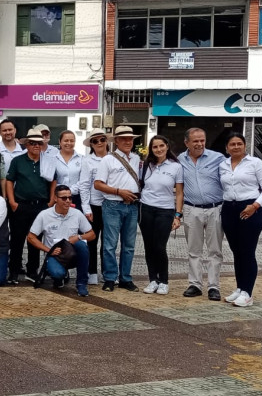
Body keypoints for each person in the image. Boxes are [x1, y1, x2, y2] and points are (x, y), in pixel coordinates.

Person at [220, 132, 262, 307]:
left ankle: (248, 293)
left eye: (239, 144)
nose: (236, 147)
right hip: (229, 209)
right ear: (227, 148)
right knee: (237, 252)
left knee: (248, 252)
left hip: (250, 209)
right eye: (232, 144)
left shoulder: (256, 163)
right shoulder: (223, 165)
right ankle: (240, 288)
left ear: (244, 146)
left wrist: (255, 206)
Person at [178, 127, 227, 301]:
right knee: (194, 250)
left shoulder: (218, 158)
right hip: (192, 209)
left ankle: (214, 286)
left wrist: (261, 166)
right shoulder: (179, 161)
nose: (199, 144)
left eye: (202, 140)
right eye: (195, 141)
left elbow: (235, 169)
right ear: (187, 143)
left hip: (215, 209)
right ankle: (195, 284)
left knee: (215, 250)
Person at [4, 127, 56, 285]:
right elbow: (9, 181)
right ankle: (13, 272)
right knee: (17, 240)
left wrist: (51, 201)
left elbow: (54, 181)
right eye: (32, 143)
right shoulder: (17, 161)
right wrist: (12, 202)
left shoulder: (47, 161)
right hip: (21, 205)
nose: (36, 146)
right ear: (26, 144)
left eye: (39, 143)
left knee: (35, 240)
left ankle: (32, 271)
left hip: (41, 206)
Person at [94, 125, 142, 292]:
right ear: (116, 141)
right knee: (110, 244)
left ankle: (125, 278)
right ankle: (109, 278)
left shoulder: (136, 159)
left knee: (129, 245)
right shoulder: (108, 159)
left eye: (130, 139)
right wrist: (118, 192)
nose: (128, 141)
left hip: (132, 206)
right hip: (113, 205)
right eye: (124, 139)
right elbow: (98, 184)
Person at [27, 184, 95, 297]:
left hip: (71, 253)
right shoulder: (44, 215)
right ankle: (59, 276)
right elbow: (30, 237)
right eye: (64, 198)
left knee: (83, 247)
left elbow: (92, 234)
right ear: (55, 198)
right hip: (55, 254)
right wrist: (49, 250)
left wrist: (78, 237)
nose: (68, 201)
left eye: (70, 197)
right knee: (58, 273)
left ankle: (82, 284)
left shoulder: (77, 213)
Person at [139, 135, 184, 296]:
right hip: (146, 208)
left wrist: (178, 215)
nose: (158, 149)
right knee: (148, 246)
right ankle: (153, 280)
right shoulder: (146, 165)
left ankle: (163, 281)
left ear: (167, 146)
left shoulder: (176, 167)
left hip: (165, 210)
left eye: (161, 146)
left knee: (159, 246)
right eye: (155, 147)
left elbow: (179, 193)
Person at [79, 129, 109, 286]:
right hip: (94, 205)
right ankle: (91, 271)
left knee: (109, 241)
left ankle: (108, 272)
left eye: (102, 139)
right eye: (95, 141)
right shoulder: (87, 161)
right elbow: (84, 185)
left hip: (111, 205)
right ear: (91, 144)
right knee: (92, 240)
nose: (99, 143)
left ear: (106, 141)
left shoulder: (114, 158)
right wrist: (86, 208)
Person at [52, 130, 83, 209]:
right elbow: (51, 180)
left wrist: (70, 192)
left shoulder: (82, 159)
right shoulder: (53, 159)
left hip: (76, 198)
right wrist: (61, 192)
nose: (69, 143)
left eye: (72, 141)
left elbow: (83, 180)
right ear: (60, 142)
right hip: (57, 198)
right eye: (66, 140)